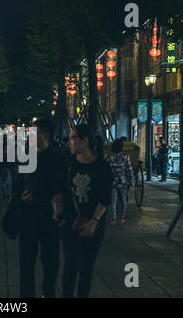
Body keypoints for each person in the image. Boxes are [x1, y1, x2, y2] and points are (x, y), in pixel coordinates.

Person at [54, 124, 113, 298]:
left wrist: (94, 221)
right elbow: (60, 190)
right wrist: (57, 204)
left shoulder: (102, 167)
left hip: (93, 225)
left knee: (86, 268)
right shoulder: (68, 166)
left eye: (73, 138)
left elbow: (105, 198)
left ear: (85, 140)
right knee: (70, 266)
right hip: (70, 223)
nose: (69, 143)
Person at [12, 118, 64, 298]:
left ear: (45, 135)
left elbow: (61, 189)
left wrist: (39, 198)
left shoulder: (58, 158)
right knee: (26, 265)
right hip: (27, 219)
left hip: (50, 219)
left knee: (51, 264)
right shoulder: (26, 156)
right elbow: (17, 185)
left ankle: (48, 294)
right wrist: (21, 198)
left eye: (33, 133)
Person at [105, 138, 134, 226]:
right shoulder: (125, 156)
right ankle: (122, 218)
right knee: (123, 200)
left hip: (112, 180)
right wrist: (131, 179)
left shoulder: (109, 156)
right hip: (123, 180)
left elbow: (106, 168)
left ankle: (113, 219)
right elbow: (129, 168)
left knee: (113, 201)